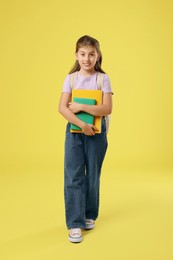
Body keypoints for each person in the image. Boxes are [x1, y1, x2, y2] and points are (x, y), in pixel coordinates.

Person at [58, 35, 113, 243]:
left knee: (92, 175)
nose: (87, 59)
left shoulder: (102, 78)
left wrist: (82, 107)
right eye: (83, 54)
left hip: (97, 133)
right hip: (75, 132)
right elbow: (62, 107)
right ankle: (74, 223)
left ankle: (89, 214)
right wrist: (82, 124)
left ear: (97, 55)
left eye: (91, 54)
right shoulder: (71, 78)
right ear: (76, 55)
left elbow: (107, 108)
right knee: (73, 175)